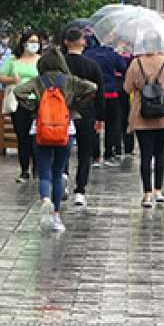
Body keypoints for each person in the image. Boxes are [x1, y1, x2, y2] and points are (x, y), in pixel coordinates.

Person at [14, 49, 97, 230]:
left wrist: (33, 106)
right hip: (65, 129)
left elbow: (18, 90)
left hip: (41, 128)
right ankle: (57, 215)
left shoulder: (38, 81)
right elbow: (92, 87)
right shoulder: (70, 81)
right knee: (58, 171)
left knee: (44, 171)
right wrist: (74, 104)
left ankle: (45, 199)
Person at [123, 33, 164, 207]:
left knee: (145, 154)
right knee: (159, 153)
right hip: (163, 113)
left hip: (141, 114)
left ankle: (146, 194)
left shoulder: (135, 63)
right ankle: (158, 191)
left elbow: (127, 88)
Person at [61, 28, 105, 207]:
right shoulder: (92, 65)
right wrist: (100, 117)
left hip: (62, 111)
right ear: (83, 43)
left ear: (65, 42)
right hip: (86, 112)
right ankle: (80, 190)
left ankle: (62, 177)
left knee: (61, 146)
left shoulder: (60, 64)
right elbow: (100, 92)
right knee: (84, 152)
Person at [0, 30, 43, 181]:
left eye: (36, 42)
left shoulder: (41, 60)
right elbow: (1, 76)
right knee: (22, 137)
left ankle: (37, 168)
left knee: (36, 137)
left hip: (37, 102)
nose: (33, 45)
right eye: (31, 41)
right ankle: (24, 170)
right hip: (18, 102)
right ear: (24, 43)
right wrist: (12, 80)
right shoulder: (13, 60)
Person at [85, 35, 128, 164]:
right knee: (112, 124)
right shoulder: (112, 54)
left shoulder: (87, 54)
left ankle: (95, 154)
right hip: (111, 93)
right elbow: (124, 68)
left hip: (93, 94)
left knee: (94, 123)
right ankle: (110, 152)